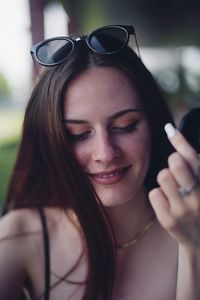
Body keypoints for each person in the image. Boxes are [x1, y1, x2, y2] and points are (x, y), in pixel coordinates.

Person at [0, 24, 200, 300]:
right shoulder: (19, 236)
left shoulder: (192, 223)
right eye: (78, 135)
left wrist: (194, 248)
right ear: (51, 140)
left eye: (126, 125)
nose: (105, 154)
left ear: (154, 125)